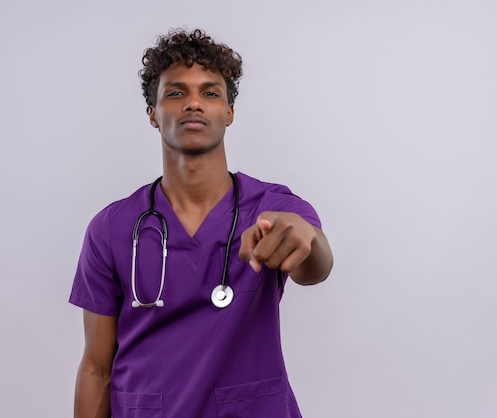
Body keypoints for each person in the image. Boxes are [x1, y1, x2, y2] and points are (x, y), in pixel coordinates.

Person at [70, 28, 333, 418]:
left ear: (228, 113)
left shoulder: (274, 207)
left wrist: (304, 237)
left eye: (210, 93)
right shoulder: (111, 228)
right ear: (153, 114)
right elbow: (96, 367)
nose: (194, 103)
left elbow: (317, 266)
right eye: (175, 93)